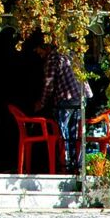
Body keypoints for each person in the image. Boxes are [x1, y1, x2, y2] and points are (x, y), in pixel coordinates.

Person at [34, 43, 92, 172]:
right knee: (75, 132)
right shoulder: (69, 53)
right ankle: (76, 164)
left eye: (40, 52)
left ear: (47, 47)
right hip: (81, 96)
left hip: (67, 99)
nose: (40, 55)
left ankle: (64, 164)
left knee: (62, 131)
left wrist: (41, 103)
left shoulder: (52, 58)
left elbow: (48, 85)